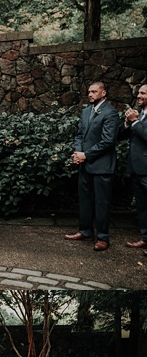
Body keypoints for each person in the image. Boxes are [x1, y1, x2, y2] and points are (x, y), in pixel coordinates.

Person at [64, 80, 119, 251]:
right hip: (85, 165)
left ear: (103, 93)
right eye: (89, 91)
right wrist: (78, 153)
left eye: (94, 91)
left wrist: (86, 155)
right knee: (85, 201)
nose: (90, 94)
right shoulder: (86, 111)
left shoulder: (111, 113)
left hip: (102, 166)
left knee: (102, 203)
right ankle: (85, 231)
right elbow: (79, 135)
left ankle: (103, 237)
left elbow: (108, 141)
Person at [119, 83, 147, 249]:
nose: (138, 96)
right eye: (138, 93)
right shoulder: (140, 114)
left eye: (143, 93)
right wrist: (128, 124)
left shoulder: (138, 117)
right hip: (136, 169)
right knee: (142, 207)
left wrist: (135, 122)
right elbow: (121, 136)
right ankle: (145, 238)